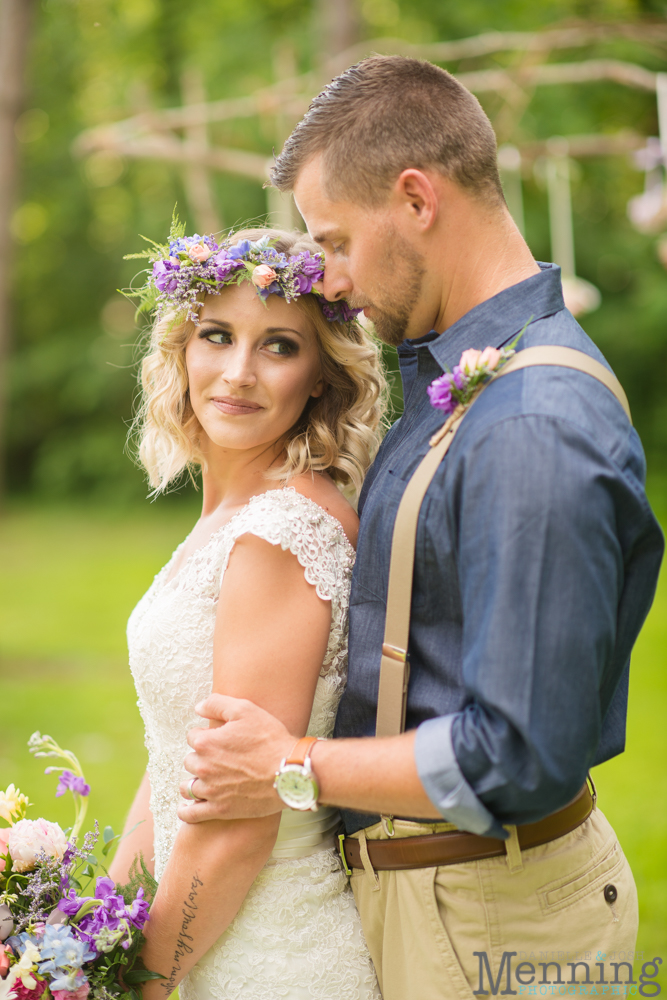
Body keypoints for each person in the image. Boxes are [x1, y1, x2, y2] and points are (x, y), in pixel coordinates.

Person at [176, 57, 665, 1000]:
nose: (331, 276)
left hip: (495, 921)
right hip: (446, 900)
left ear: (414, 198)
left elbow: (517, 753)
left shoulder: (529, 423)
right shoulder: (464, 374)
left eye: (337, 240)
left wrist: (288, 765)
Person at [107, 226, 385, 1000]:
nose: (237, 373)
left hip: (269, 959)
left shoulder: (277, 536)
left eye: (278, 347)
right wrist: (93, 923)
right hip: (204, 934)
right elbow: (175, 756)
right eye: (217, 336)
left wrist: (140, 982)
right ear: (180, 350)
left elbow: (239, 822)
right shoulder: (234, 518)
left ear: (322, 378)